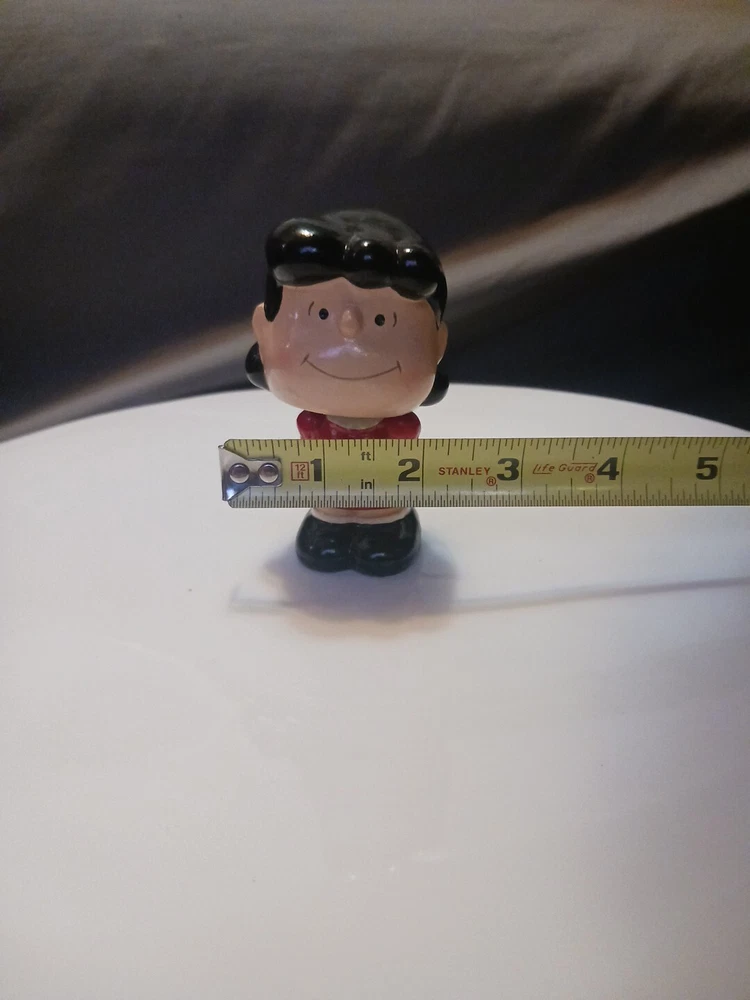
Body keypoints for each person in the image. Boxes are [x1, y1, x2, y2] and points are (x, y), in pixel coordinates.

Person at [246, 210, 449, 575]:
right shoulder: (314, 423)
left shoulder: (398, 426)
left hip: (385, 493)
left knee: (382, 510)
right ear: (264, 331)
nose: (350, 330)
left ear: (438, 344)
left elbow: (405, 449)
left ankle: (387, 527)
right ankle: (330, 524)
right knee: (330, 508)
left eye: (382, 320)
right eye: (321, 314)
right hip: (330, 491)